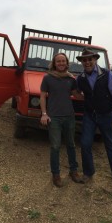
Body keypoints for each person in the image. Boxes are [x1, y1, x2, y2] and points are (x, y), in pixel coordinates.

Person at [76, 49, 112, 190]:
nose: (87, 62)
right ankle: (88, 173)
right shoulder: (80, 78)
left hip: (107, 115)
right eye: (84, 60)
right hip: (90, 115)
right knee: (85, 144)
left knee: (111, 146)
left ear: (95, 60)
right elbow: (77, 92)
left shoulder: (107, 74)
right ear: (82, 62)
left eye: (90, 59)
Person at [40, 53, 84, 188]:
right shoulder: (47, 78)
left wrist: (87, 93)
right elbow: (42, 97)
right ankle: (56, 174)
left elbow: (77, 95)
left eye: (63, 61)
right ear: (54, 63)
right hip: (54, 118)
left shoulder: (71, 79)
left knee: (71, 144)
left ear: (66, 63)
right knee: (55, 146)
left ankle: (74, 171)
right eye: (58, 61)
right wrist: (44, 114)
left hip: (69, 116)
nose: (61, 63)